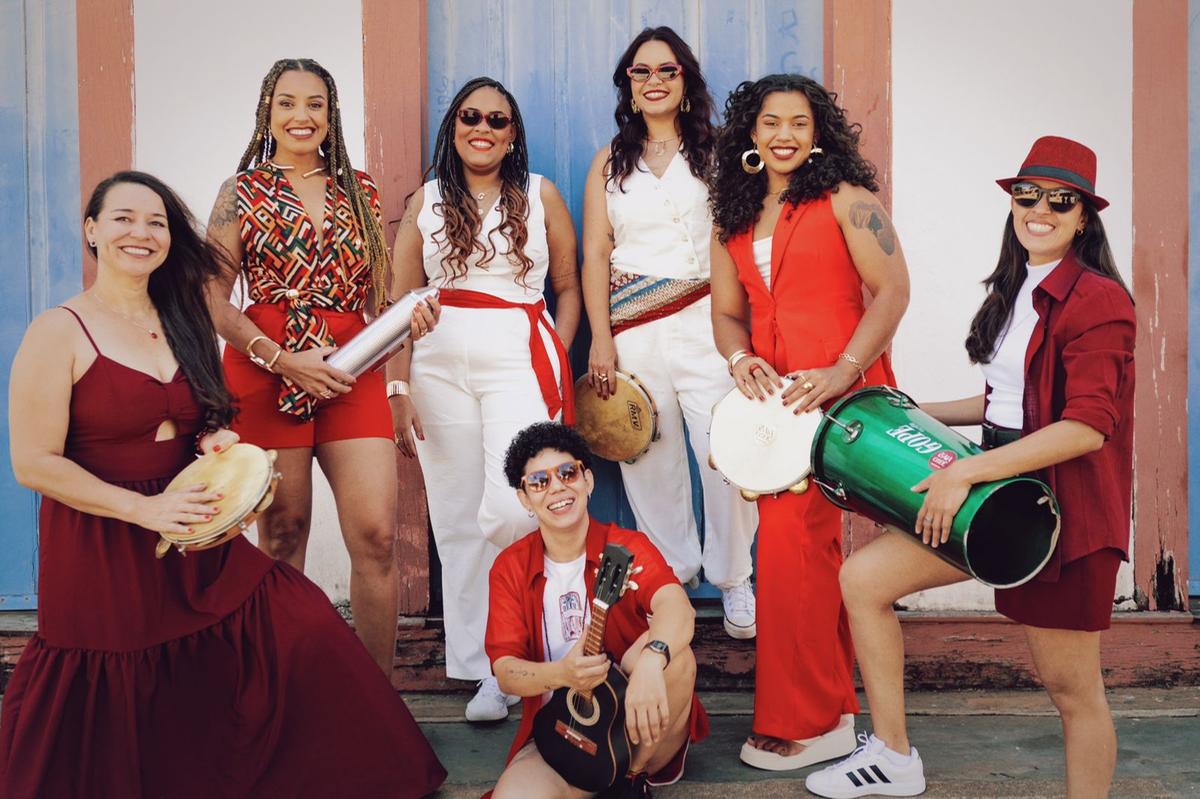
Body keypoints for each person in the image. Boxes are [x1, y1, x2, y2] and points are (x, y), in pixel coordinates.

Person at [0, 171, 446, 798]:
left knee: (305, 621)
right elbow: (34, 463)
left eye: (156, 222)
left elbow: (202, 420)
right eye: (123, 218)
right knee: (121, 686)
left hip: (193, 529)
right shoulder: (59, 330)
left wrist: (216, 443)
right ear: (92, 231)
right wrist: (147, 511)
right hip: (103, 541)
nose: (141, 233)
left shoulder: (181, 321)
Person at [808, 136, 1134, 799]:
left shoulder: (1097, 299)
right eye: (1028, 196)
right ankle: (893, 757)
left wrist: (965, 474)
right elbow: (1004, 402)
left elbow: (1087, 427)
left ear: (1083, 217)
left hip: (1058, 511)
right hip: (993, 489)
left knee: (1073, 691)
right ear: (1012, 203)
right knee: (864, 578)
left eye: (1060, 201)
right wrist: (904, 409)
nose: (1039, 210)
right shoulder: (1019, 287)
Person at [206, 58, 437, 675]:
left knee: (377, 536)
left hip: (351, 367)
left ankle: (374, 699)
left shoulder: (359, 190)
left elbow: (378, 300)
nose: (301, 116)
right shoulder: (240, 192)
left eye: (315, 104)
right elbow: (210, 299)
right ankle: (281, 692)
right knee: (283, 533)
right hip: (266, 366)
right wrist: (282, 360)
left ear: (331, 114)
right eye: (287, 103)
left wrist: (402, 350)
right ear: (268, 112)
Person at [709, 74, 910, 770]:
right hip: (777, 414)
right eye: (771, 122)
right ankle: (829, 713)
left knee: (794, 554)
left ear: (819, 131)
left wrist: (842, 370)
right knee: (798, 556)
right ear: (751, 132)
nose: (784, 135)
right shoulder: (732, 215)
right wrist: (739, 358)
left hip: (840, 402)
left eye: (799, 122)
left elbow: (893, 291)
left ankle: (812, 720)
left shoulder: (848, 200)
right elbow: (727, 313)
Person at [390, 77, 582, 721]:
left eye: (497, 120)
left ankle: (533, 649)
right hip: (438, 362)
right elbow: (398, 301)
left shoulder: (539, 193)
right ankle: (486, 671)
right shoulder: (426, 201)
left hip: (517, 355)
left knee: (512, 508)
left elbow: (567, 286)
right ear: (454, 128)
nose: (483, 128)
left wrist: (557, 349)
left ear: (512, 133)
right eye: (470, 117)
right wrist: (397, 385)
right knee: (456, 518)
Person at [581, 26, 758, 639]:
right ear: (628, 86)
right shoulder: (610, 162)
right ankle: (674, 578)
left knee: (726, 451)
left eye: (667, 70)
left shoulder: (720, 152)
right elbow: (596, 252)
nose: (653, 80)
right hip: (633, 330)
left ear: (686, 82)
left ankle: (734, 578)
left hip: (708, 322)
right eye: (641, 71)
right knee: (646, 457)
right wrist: (600, 338)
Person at [487, 422, 708, 798]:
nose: (557, 487)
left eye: (567, 473)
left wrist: (652, 661)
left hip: (636, 730)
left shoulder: (625, 546)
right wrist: (563, 673)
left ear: (587, 480)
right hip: (561, 734)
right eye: (539, 481)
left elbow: (676, 606)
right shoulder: (510, 567)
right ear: (524, 498)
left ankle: (630, 781)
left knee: (674, 655)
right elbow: (506, 673)